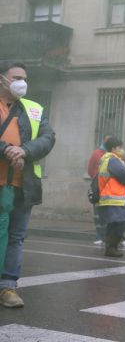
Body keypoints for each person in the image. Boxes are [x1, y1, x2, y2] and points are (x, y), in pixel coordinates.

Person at [0, 61, 55, 309]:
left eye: (25, 77)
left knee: (16, 237)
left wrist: (23, 150)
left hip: (23, 186)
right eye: (16, 77)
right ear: (2, 79)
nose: (22, 82)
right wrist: (7, 150)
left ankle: (8, 287)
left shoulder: (33, 109)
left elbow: (47, 138)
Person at [96, 137, 125, 257]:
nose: (121, 149)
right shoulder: (113, 160)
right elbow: (122, 175)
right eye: (120, 147)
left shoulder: (106, 159)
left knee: (114, 224)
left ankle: (110, 248)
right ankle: (111, 248)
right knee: (122, 223)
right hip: (116, 197)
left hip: (111, 196)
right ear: (113, 148)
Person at [87, 135, 110, 245]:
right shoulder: (97, 153)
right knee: (98, 214)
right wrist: (97, 180)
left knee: (109, 213)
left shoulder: (114, 154)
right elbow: (90, 169)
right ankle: (99, 236)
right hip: (98, 187)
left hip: (110, 188)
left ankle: (110, 236)